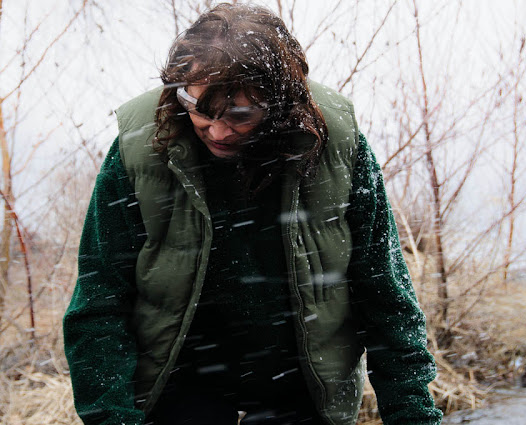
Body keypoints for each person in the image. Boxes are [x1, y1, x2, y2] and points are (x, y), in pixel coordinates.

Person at [63, 3, 443, 425]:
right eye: (199, 107)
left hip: (304, 382)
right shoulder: (139, 149)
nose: (217, 130)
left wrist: (412, 412)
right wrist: (111, 417)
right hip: (178, 377)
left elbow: (384, 291)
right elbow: (100, 299)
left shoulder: (338, 146)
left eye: (240, 115)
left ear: (281, 102)